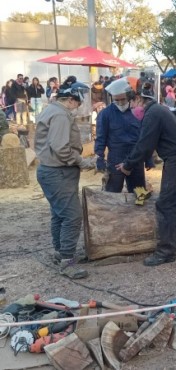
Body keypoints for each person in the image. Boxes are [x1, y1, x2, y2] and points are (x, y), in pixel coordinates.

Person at [115, 83, 176, 266]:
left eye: (132, 104)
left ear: (139, 99)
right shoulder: (158, 110)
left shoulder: (153, 113)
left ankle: (166, 251)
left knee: (166, 203)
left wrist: (128, 164)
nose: (132, 108)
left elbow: (145, 145)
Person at [34, 87, 96, 279]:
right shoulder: (61, 115)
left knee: (59, 215)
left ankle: (60, 252)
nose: (77, 107)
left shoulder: (50, 109)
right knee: (72, 216)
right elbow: (61, 148)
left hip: (51, 170)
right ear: (70, 99)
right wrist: (81, 161)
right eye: (77, 103)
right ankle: (68, 263)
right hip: (58, 172)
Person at [95, 77, 154, 193]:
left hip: (135, 157)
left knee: (139, 193)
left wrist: (148, 158)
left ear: (129, 96)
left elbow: (144, 138)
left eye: (123, 99)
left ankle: (137, 211)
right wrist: (99, 157)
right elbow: (100, 138)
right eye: (117, 100)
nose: (120, 103)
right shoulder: (105, 114)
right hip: (115, 158)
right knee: (112, 193)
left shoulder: (137, 113)